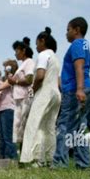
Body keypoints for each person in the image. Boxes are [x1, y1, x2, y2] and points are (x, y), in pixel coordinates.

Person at [54, 16, 90, 169]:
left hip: (74, 90)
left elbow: (79, 66)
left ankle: (59, 163)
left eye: (68, 29)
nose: (66, 33)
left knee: (64, 125)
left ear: (77, 30)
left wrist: (79, 89)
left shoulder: (77, 44)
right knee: (79, 127)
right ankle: (83, 164)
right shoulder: (84, 44)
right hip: (83, 87)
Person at [21, 27, 61, 166]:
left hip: (44, 92)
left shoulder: (43, 55)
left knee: (34, 124)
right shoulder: (55, 58)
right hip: (55, 93)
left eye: (37, 43)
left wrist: (32, 90)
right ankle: (49, 158)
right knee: (49, 127)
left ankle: (34, 159)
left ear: (43, 41)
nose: (36, 46)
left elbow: (40, 76)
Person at [9, 37, 35, 148]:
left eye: (17, 51)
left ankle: (28, 156)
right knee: (20, 128)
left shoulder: (29, 62)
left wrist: (16, 81)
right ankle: (23, 156)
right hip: (20, 99)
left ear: (23, 51)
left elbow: (29, 79)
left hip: (26, 97)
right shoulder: (23, 64)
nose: (15, 54)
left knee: (26, 126)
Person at [0, 61, 17, 160]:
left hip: (8, 108)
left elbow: (0, 87)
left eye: (6, 67)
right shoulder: (4, 80)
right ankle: (3, 159)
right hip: (1, 109)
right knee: (2, 137)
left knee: (7, 136)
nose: (5, 70)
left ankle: (11, 158)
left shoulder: (12, 78)